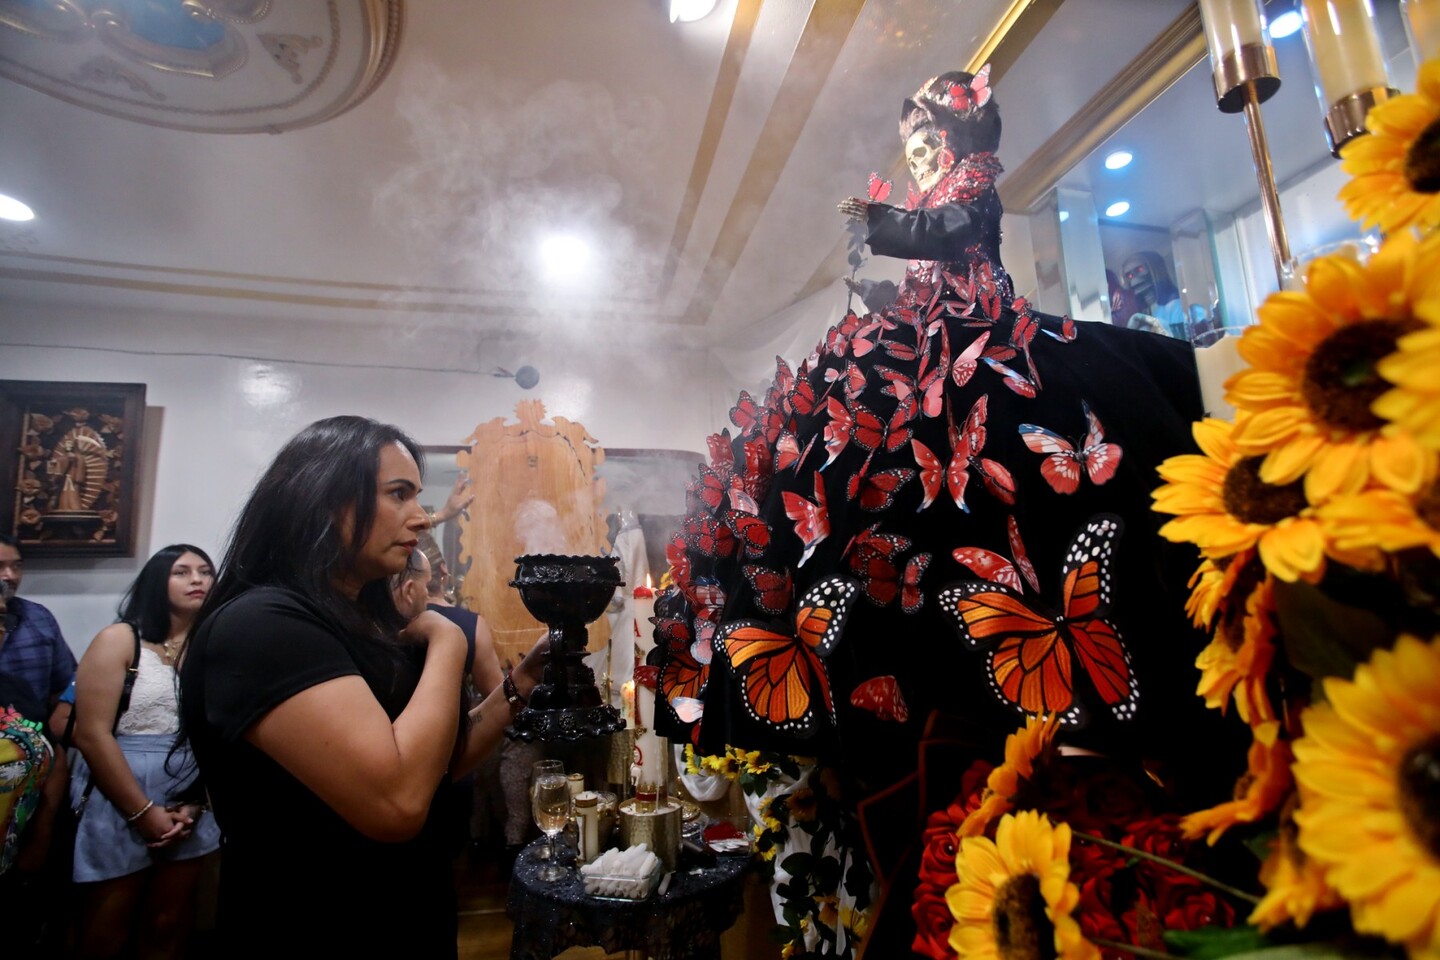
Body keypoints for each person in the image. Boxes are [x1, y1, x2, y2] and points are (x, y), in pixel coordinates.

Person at [655, 67, 1235, 955]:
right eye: (913, 136)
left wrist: (881, 225)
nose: (920, 148)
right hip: (925, 331)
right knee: (837, 439)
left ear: (965, 130)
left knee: (978, 446)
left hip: (979, 332)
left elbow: (949, 230)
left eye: (929, 130)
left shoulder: (973, 182)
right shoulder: (937, 186)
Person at [178, 415, 547, 958]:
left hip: (405, 912)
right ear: (323, 499)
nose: (421, 518)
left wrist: (526, 679)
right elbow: (395, 801)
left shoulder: (358, 618)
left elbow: (434, 758)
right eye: (398, 494)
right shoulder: (264, 623)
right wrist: (447, 644)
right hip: (321, 927)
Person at [68, 544, 222, 960]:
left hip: (191, 793)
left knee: (169, 923)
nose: (197, 580)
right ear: (158, 581)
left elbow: (218, 731)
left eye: (204, 571)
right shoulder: (120, 639)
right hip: (121, 789)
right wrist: (143, 812)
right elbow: (91, 734)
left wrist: (194, 802)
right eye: (182, 572)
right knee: (106, 929)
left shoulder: (214, 647)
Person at [0, 534, 77, 715]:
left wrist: (54, 732)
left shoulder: (38, 617)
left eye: (16, 566)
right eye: (0, 566)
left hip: (32, 734)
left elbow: (66, 683)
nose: (9, 576)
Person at [1121, 249, 1186, 338]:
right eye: (1129, 276)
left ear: (1154, 269)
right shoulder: (1146, 310)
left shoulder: (1175, 306)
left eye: (1139, 269)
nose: (1134, 280)